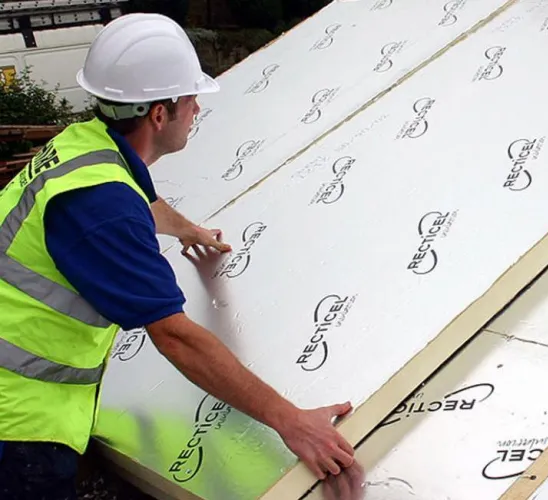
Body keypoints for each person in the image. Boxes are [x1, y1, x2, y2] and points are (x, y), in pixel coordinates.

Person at [0, 12, 355, 499]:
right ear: (158, 114)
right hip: (18, 421)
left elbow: (137, 201)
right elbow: (175, 336)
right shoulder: (102, 207)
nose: (197, 109)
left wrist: (188, 230)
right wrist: (290, 420)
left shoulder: (83, 148)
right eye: (190, 99)